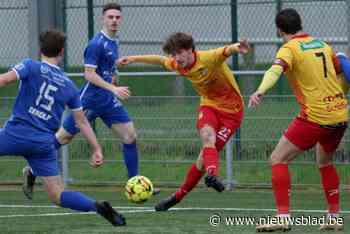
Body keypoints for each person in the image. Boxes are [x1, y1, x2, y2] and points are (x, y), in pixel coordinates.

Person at [22, 2, 151, 199]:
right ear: (103, 19)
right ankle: (31, 170)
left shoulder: (114, 41)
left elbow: (105, 69)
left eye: (117, 17)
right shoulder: (95, 44)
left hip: (107, 101)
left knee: (130, 137)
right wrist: (113, 88)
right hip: (89, 100)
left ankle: (134, 184)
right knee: (63, 137)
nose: (114, 20)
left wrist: (115, 70)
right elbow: (89, 75)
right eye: (110, 17)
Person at [0, 29, 126, 226]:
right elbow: (81, 121)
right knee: (58, 195)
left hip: (16, 133)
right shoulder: (69, 85)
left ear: (41, 48)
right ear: (61, 52)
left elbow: (4, 80)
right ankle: (96, 206)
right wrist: (96, 148)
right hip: (43, 144)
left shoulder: (30, 66)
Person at [118, 32, 250, 211]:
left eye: (179, 53)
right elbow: (159, 60)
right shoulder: (178, 64)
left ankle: (178, 196)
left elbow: (225, 50)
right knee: (206, 136)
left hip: (232, 113)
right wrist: (133, 58)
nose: (176, 58)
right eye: (173, 54)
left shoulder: (208, 58)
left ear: (190, 50)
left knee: (202, 160)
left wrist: (237, 48)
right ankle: (212, 175)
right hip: (209, 106)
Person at [248, 9, 347, 232]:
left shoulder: (289, 48)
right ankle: (334, 217)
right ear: (301, 24)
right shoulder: (323, 44)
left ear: (279, 30)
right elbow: (343, 71)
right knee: (325, 162)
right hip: (340, 114)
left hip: (315, 117)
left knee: (278, 158)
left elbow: (275, 70)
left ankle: (283, 217)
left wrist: (260, 91)